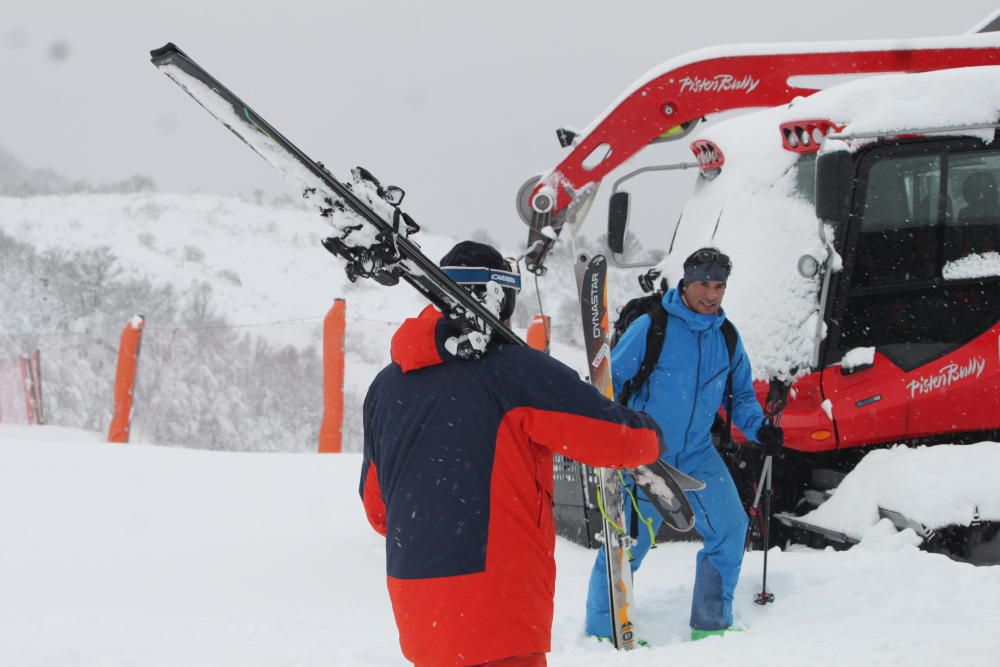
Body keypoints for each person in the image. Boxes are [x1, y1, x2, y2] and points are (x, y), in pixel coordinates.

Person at [360, 240, 664, 666]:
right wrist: (652, 433)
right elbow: (617, 439)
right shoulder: (511, 371)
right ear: (500, 297)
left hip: (418, 610)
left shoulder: (384, 387)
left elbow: (378, 512)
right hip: (497, 607)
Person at [584, 246, 784, 642]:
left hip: (696, 452)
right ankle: (605, 630)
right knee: (630, 545)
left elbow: (741, 395)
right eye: (704, 284)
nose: (712, 295)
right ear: (687, 283)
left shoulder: (726, 335)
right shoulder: (653, 326)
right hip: (645, 455)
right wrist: (606, 431)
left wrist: (760, 429)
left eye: (719, 286)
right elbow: (610, 381)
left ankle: (711, 623)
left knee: (730, 528)